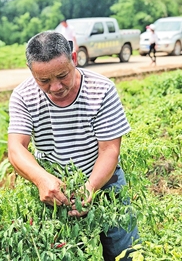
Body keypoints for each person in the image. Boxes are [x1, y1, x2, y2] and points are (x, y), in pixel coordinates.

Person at [7, 30, 140, 261]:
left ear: (74, 60)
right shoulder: (23, 96)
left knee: (124, 252)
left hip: (105, 182)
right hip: (54, 192)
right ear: (32, 72)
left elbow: (109, 150)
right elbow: (16, 148)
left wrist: (90, 188)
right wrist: (42, 179)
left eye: (62, 76)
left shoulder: (101, 89)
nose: (56, 87)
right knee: (62, 252)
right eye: (44, 81)